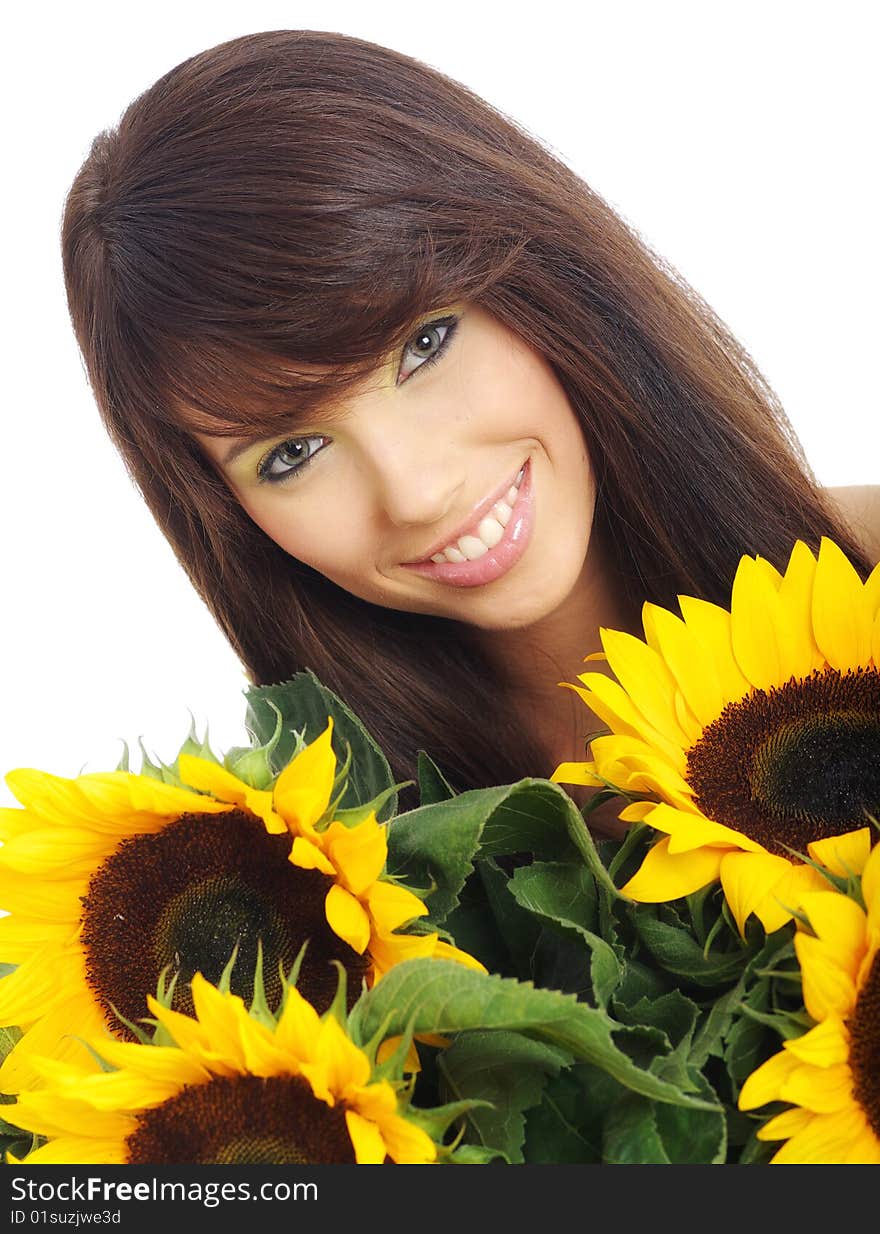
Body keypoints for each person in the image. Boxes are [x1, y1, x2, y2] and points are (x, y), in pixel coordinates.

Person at [60, 29, 878, 832]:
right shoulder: (330, 862)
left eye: (424, 346)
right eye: (293, 453)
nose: (416, 492)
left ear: (543, 273)